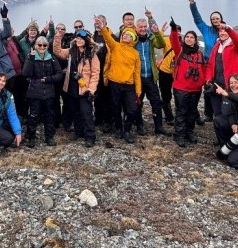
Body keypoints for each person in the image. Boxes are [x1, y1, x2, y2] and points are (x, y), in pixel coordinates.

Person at [95, 15, 141, 144]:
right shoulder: (115, 46)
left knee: (132, 109)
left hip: (129, 85)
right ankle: (119, 128)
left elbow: (136, 73)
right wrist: (102, 27)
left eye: (129, 35)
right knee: (115, 107)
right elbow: (107, 37)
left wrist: (138, 89)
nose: (125, 35)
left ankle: (126, 129)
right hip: (114, 83)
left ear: (133, 38)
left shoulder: (135, 53)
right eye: (124, 34)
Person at [52, 28, 101, 147]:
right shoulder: (71, 51)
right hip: (72, 87)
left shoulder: (92, 54)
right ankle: (79, 132)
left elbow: (95, 74)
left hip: (85, 89)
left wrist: (91, 89)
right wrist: (57, 37)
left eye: (81, 39)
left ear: (86, 40)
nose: (78, 40)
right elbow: (57, 51)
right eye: (77, 38)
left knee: (86, 112)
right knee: (75, 111)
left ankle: (90, 136)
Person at [169, 20, 210, 148]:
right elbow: (174, 40)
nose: (189, 39)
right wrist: (174, 30)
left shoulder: (199, 55)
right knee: (181, 112)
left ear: (195, 40)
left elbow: (204, 69)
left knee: (192, 112)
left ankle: (189, 132)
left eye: (192, 37)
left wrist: (204, 81)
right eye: (187, 37)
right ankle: (179, 135)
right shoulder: (179, 51)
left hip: (196, 89)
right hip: (181, 88)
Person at [133, 10, 171, 136]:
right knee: (138, 103)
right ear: (136, 28)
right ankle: (139, 126)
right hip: (137, 78)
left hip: (150, 77)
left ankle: (159, 127)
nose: (143, 29)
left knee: (156, 101)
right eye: (141, 27)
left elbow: (160, 44)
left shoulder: (150, 38)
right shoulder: (133, 40)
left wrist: (154, 29)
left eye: (145, 27)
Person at [22, 36, 64, 147]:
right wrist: (31, 59)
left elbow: (59, 74)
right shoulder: (30, 57)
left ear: (47, 46)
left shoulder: (52, 58)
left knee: (49, 115)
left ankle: (49, 137)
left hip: (49, 92)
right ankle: (31, 138)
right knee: (33, 115)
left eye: (44, 45)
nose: (42, 47)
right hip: (34, 92)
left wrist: (49, 79)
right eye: (39, 45)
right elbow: (25, 73)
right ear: (35, 46)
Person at [188, 0, 223, 124]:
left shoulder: (225, 31)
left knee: (221, 88)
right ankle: (208, 114)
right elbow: (197, 19)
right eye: (213, 18)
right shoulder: (206, 30)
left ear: (221, 19)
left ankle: (220, 113)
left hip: (221, 64)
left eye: (217, 18)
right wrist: (192, 4)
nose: (215, 20)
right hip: (208, 64)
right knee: (208, 89)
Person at [204, 23, 238, 128]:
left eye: (224, 31)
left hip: (230, 85)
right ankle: (220, 135)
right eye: (220, 31)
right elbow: (209, 65)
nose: (222, 33)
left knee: (230, 112)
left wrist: (229, 29)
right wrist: (208, 78)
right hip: (216, 85)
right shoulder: (216, 46)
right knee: (217, 111)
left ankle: (232, 136)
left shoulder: (234, 46)